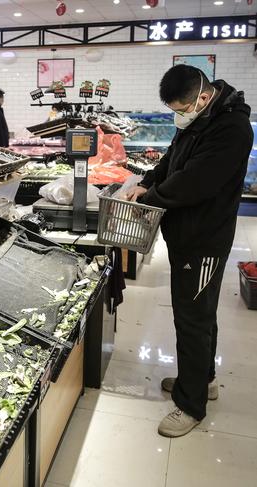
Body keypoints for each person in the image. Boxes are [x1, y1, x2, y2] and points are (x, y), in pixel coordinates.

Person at [125, 65, 252, 437]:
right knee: (200, 311)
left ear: (203, 96)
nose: (180, 117)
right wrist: (148, 179)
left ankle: (190, 405)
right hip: (187, 235)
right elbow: (172, 160)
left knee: (192, 319)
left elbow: (196, 181)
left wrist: (151, 196)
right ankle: (202, 380)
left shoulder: (231, 129)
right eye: (175, 111)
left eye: (183, 109)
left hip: (204, 239)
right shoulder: (200, 121)